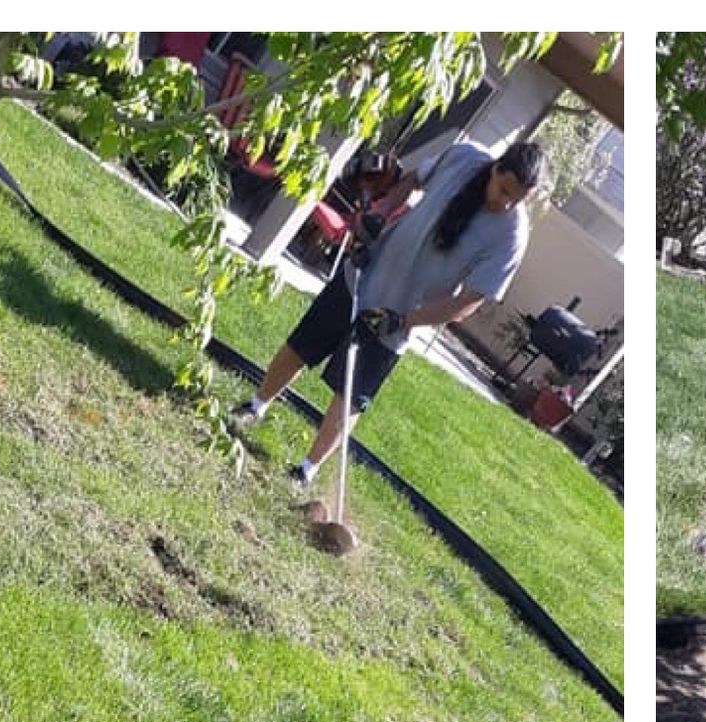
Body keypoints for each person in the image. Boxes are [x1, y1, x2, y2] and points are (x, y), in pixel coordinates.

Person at [233, 138, 547, 488]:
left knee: (350, 396)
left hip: (396, 318)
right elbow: (412, 180)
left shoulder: (512, 235)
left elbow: (468, 302)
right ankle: (254, 406)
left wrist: (402, 320)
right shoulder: (464, 158)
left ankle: (305, 471)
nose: (505, 203)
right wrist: (377, 218)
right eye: (504, 190)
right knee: (302, 345)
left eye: (515, 199)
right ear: (496, 168)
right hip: (363, 274)